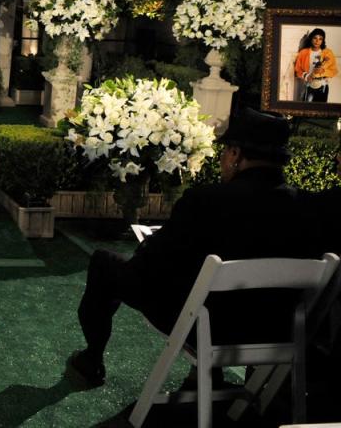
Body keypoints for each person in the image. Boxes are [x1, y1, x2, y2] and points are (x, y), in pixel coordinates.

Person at [66, 108, 311, 388]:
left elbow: (152, 266)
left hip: (204, 327)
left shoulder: (205, 201)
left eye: (225, 153)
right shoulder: (307, 207)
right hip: (275, 330)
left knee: (104, 262)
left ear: (235, 155)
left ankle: (91, 360)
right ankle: (206, 378)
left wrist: (149, 244)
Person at [294, 28, 337, 103]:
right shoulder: (303, 53)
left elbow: (334, 71)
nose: (317, 41)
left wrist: (323, 71)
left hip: (323, 86)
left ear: (323, 40)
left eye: (320, 39)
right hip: (308, 85)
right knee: (306, 108)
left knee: (321, 110)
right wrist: (306, 76)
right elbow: (297, 70)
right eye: (315, 38)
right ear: (311, 38)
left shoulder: (328, 53)